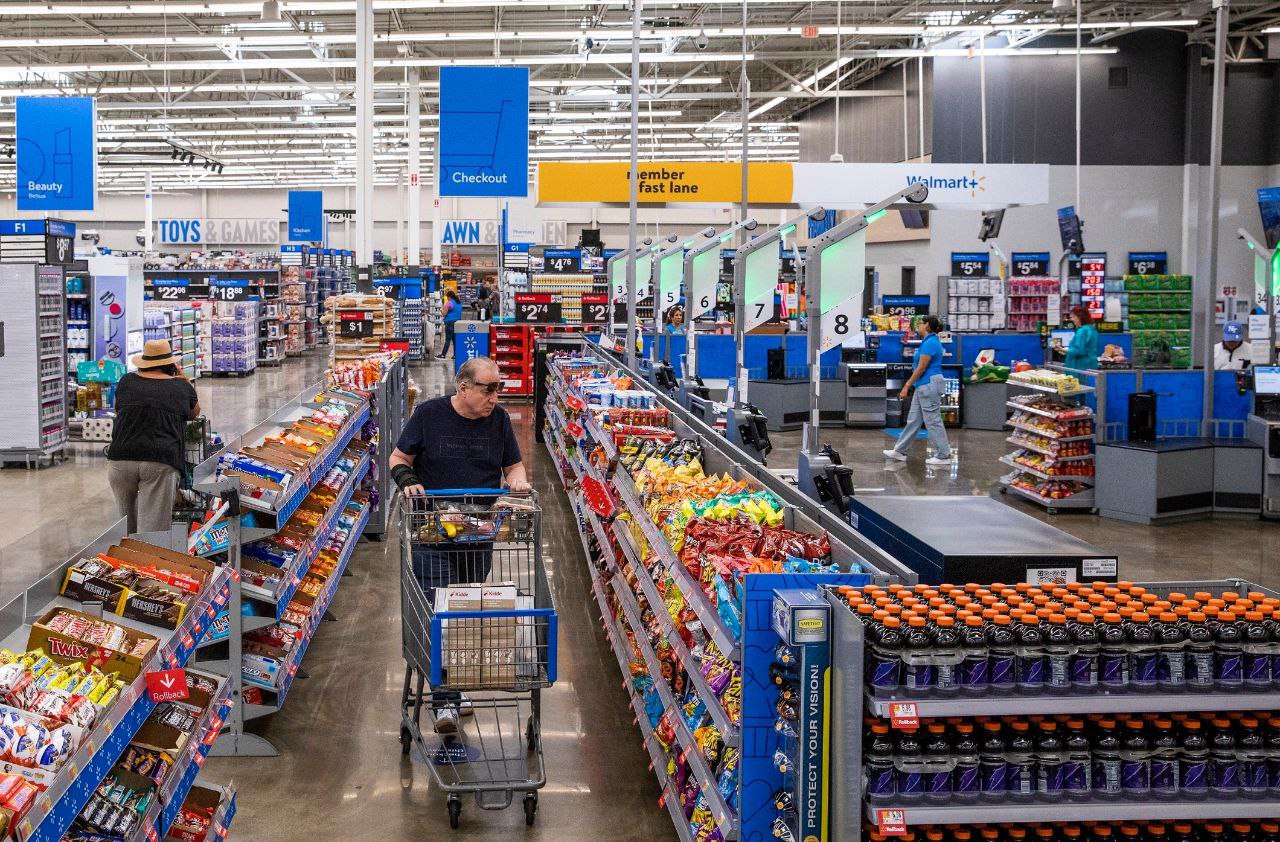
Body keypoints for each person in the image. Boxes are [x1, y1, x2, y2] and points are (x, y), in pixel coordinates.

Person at [389, 357, 530, 733]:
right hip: (431, 532)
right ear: (462, 387)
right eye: (489, 388)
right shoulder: (430, 415)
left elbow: (512, 466)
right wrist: (407, 481)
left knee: (464, 612)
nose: (496, 396)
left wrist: (517, 482)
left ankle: (454, 685)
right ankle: (444, 702)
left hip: (478, 535)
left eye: (499, 388)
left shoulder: (498, 421)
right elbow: (398, 458)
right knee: (440, 609)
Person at [106, 339, 201, 533]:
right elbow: (194, 412)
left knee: (125, 525)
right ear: (170, 364)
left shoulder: (126, 381)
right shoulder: (181, 387)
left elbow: (118, 409)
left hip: (121, 459)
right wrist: (183, 377)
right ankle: (146, 560)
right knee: (152, 528)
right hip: (159, 461)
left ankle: (125, 560)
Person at [883, 316, 954, 467]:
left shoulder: (931, 343)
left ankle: (944, 455)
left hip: (929, 384)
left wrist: (906, 385)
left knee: (933, 420)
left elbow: (921, 368)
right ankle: (900, 451)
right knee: (914, 420)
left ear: (927, 325)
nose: (918, 326)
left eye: (920, 323)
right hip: (923, 386)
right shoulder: (928, 342)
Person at [1063, 306, 1100, 373]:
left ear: (1079, 317)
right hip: (1091, 365)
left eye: (1073, 317)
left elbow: (1079, 350)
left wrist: (1064, 350)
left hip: (1080, 367)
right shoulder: (1092, 329)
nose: (1072, 319)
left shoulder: (1082, 331)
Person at [437, 288, 461, 360]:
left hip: (450, 323)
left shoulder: (449, 303)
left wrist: (441, 310)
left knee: (448, 340)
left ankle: (443, 355)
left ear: (449, 297)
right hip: (457, 323)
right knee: (454, 340)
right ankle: (455, 355)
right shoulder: (459, 303)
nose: (447, 299)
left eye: (447, 297)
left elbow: (444, 314)